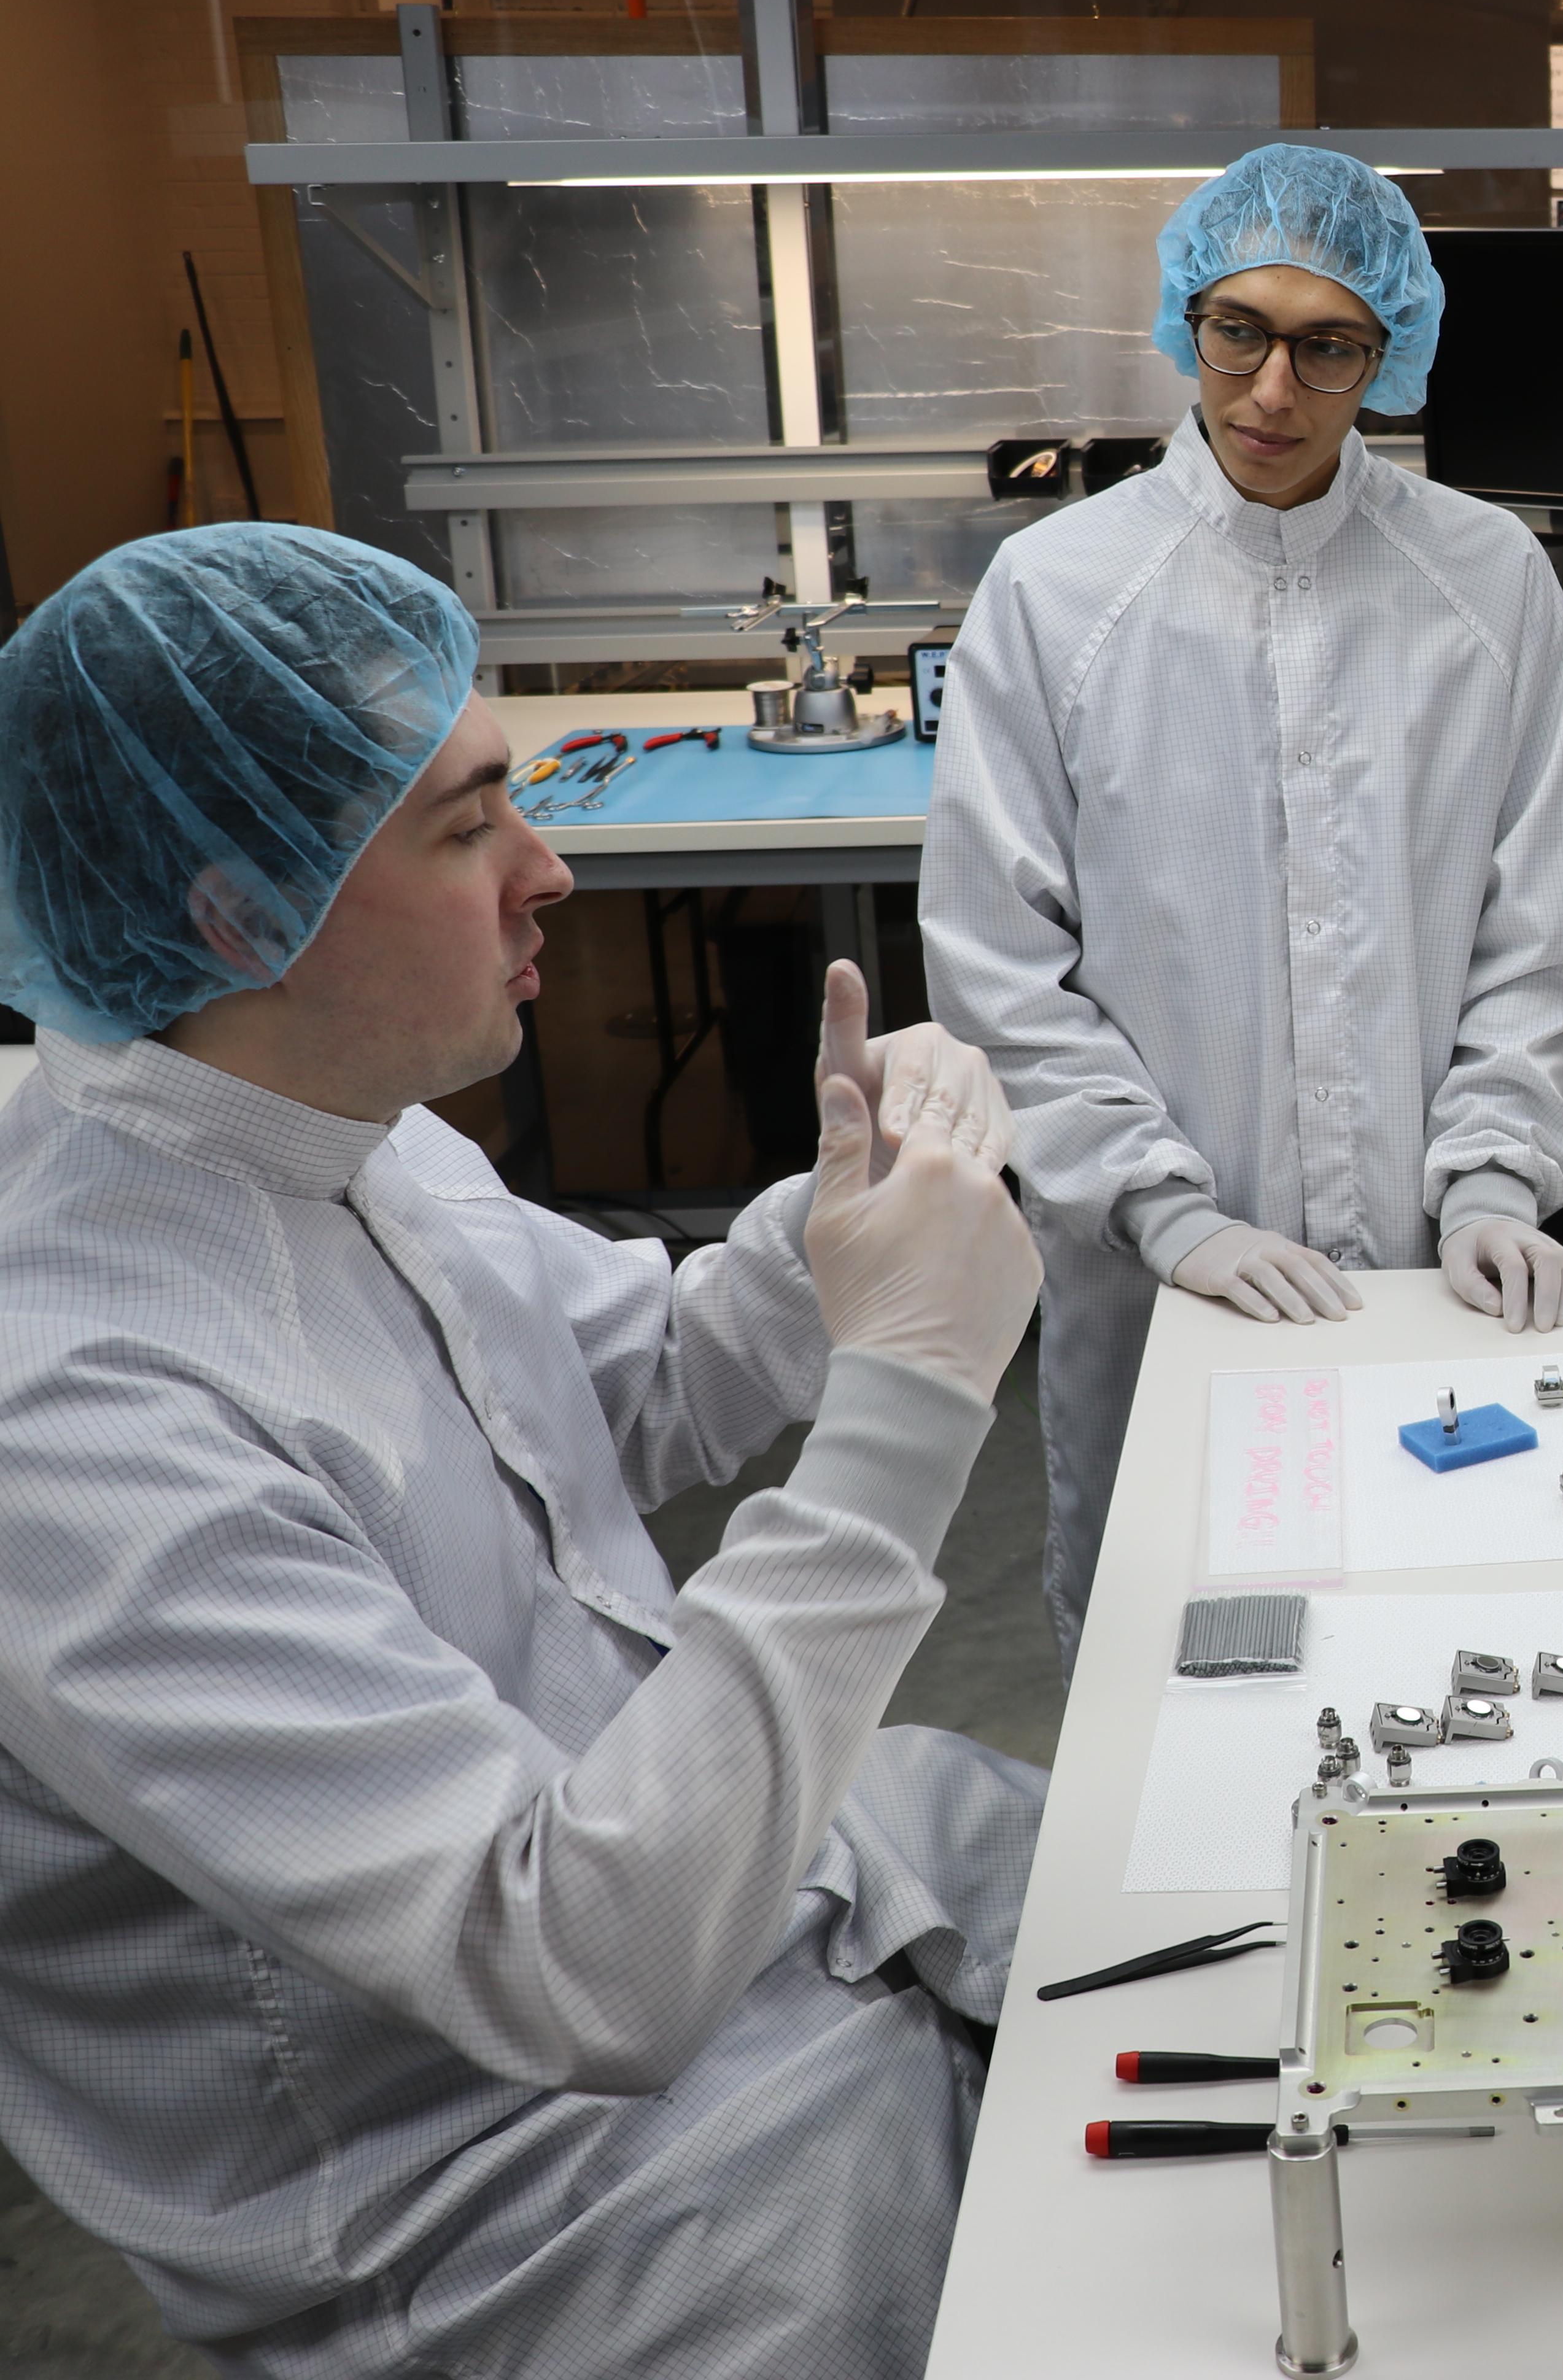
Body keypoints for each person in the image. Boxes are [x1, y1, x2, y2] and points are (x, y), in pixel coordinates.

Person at [0, 526, 1049, 2375]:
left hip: (719, 1890)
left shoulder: (339, 1119)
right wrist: (899, 1411)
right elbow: (581, 1966)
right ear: (245, 911)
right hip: (530, 2200)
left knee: (1171, 1873)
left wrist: (839, 1229)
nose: (554, 872)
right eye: (475, 825)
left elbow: (627, 1388)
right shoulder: (79, 1422)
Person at [926, 144, 1563, 1661]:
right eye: (1241, 329)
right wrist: (1162, 1208)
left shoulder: (1488, 585)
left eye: (1330, 346)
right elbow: (995, 963)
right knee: (1176, 1665)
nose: (1275, 392)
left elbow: (1537, 935)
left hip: (1439, 1271)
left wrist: (1494, 1177)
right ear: (1185, 318)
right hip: (1162, 1281)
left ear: (1394, 355)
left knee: (1442, 1647)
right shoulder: (1057, 596)